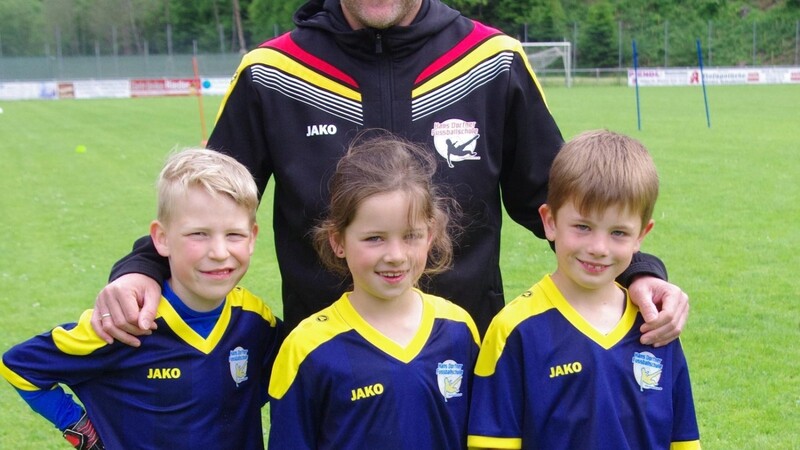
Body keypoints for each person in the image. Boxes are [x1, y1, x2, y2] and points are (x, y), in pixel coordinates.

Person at [92, 0, 688, 345]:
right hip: (325, 361)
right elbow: (207, 202)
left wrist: (638, 270)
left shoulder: (492, 61)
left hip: (467, 363)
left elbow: (557, 200)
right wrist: (143, 268)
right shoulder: (271, 72)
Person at [0, 149, 284, 450]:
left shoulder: (255, 318)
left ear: (252, 237)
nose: (218, 251)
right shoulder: (125, 322)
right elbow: (21, 367)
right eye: (199, 234)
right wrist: (83, 433)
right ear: (161, 238)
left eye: (234, 235)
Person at [467, 130, 700, 449]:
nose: (599, 247)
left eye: (618, 232)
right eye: (583, 227)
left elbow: (682, 440)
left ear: (641, 236)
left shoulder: (656, 328)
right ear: (549, 221)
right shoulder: (515, 331)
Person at [268, 133, 480, 449]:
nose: (395, 255)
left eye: (410, 236)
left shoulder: (459, 330)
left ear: (431, 235)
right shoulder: (306, 349)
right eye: (375, 238)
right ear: (338, 241)